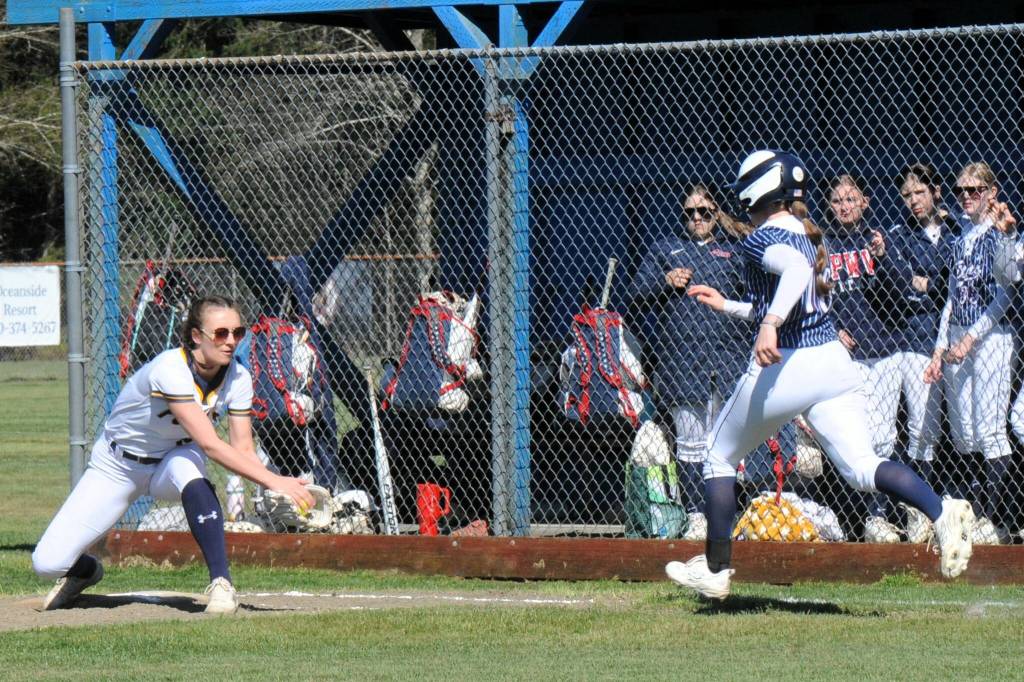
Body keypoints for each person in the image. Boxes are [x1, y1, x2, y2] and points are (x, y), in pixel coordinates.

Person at [664, 150, 975, 600]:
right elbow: (795, 296)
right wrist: (729, 305)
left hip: (791, 364)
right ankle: (940, 511)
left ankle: (715, 569)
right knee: (863, 466)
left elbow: (788, 282)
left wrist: (768, 324)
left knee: (716, 457)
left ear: (760, 188)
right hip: (832, 361)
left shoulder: (761, 236)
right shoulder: (805, 232)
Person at [32, 295, 315, 613]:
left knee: (190, 472)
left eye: (238, 332)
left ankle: (221, 583)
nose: (231, 341)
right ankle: (86, 572)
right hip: (117, 467)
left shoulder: (239, 377)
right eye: (221, 333)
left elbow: (243, 449)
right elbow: (211, 444)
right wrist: (275, 482)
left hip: (173, 459)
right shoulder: (169, 368)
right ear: (197, 336)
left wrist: (281, 483)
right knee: (47, 563)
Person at [628, 184, 752, 539]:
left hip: (728, 361)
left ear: (718, 213)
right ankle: (697, 514)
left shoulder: (734, 250)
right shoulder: (666, 250)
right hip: (684, 364)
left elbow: (755, 298)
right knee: (691, 443)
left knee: (729, 445)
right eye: (690, 213)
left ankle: (730, 515)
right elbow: (634, 294)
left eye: (705, 211)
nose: (697, 218)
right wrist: (663, 281)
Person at [924, 162, 1019, 545]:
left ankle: (995, 519)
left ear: (992, 192)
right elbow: (951, 295)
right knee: (964, 435)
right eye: (961, 190)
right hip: (959, 334)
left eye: (975, 190)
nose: (966, 196)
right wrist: (940, 346)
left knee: (992, 430)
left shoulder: (999, 232)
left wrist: (972, 338)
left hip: (992, 335)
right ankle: (977, 511)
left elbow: (1005, 293)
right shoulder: (960, 235)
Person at [823, 174, 916, 542]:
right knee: (856, 438)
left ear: (865, 202)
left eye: (851, 199)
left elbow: (902, 291)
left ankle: (880, 515)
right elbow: (814, 300)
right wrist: (832, 329)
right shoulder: (824, 248)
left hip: (885, 349)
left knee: (885, 437)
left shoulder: (880, 239)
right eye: (837, 201)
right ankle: (862, 515)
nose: (844, 206)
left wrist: (884, 257)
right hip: (850, 355)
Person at [885, 163, 961, 539]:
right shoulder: (899, 236)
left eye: (919, 192)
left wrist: (931, 282)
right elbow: (906, 289)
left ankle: (961, 505)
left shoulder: (957, 230)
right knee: (922, 429)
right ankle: (920, 512)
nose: (913, 200)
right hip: (917, 339)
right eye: (907, 195)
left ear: (935, 192)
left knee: (962, 428)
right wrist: (933, 284)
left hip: (957, 340)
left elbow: (957, 285)